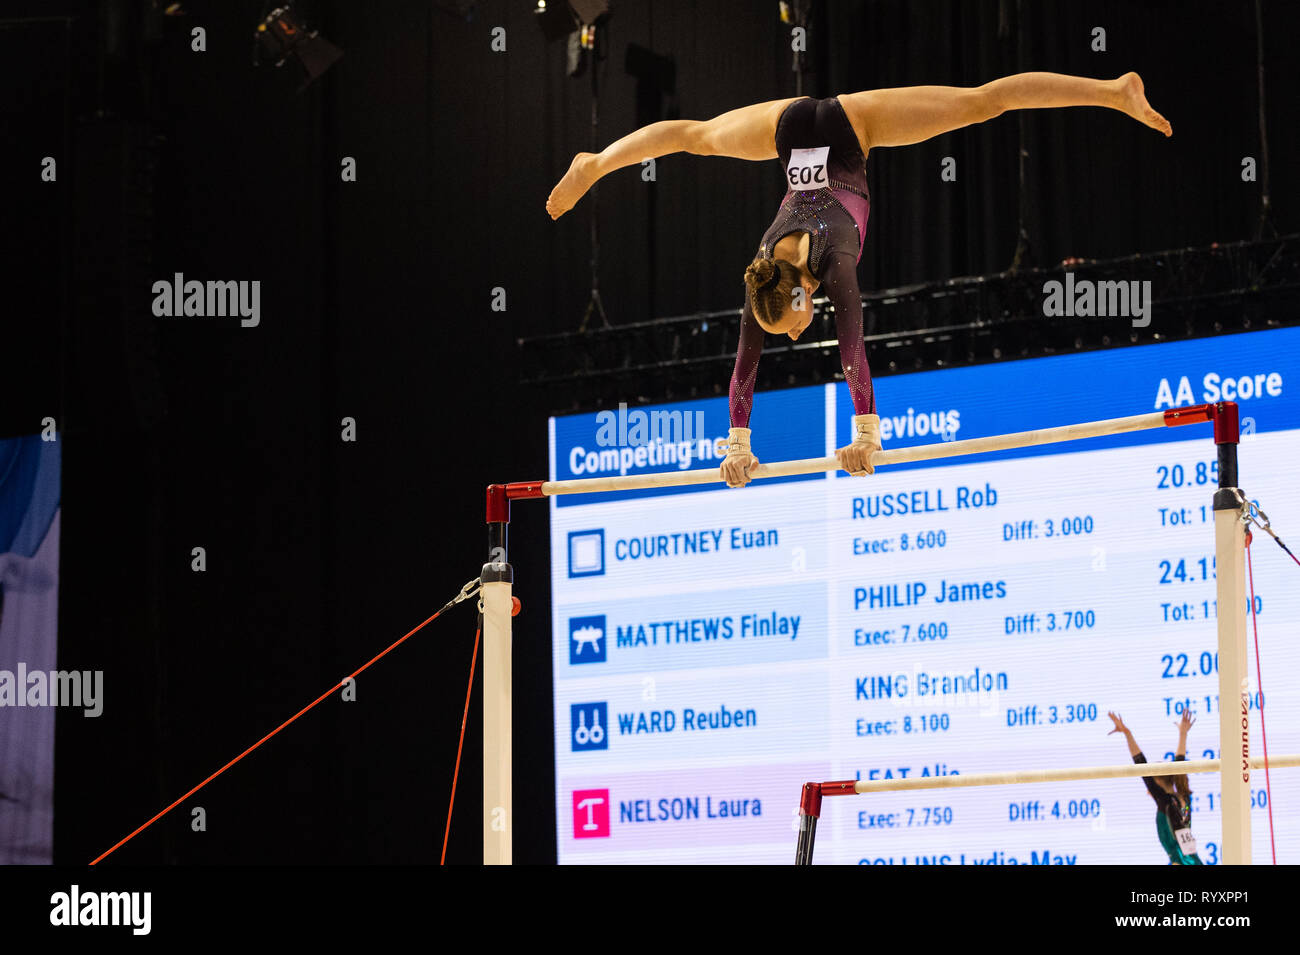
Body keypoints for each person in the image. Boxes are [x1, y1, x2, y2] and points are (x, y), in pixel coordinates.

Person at [547, 72, 1171, 487]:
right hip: (790, 127)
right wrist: (735, 447)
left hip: (851, 131)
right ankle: (594, 163)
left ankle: (1116, 91)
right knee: (696, 135)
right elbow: (745, 366)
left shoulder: (834, 266)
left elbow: (852, 352)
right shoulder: (764, 278)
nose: (791, 336)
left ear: (800, 292)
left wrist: (865, 437)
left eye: (790, 325)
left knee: (982, 104)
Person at [1108, 710, 1203, 865]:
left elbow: (1141, 764)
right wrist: (1183, 734)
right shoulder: (1183, 796)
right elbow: (1180, 765)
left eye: (1150, 784)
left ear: (1157, 782)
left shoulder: (1165, 801)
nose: (1148, 790)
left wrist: (1127, 733)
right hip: (1194, 861)